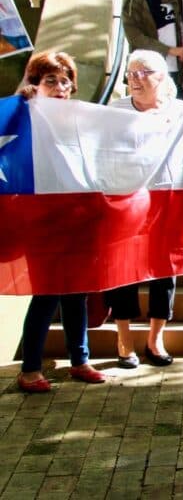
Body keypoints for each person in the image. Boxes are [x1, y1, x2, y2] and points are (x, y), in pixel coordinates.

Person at [104, 50, 183, 369]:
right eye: (131, 73)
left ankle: (155, 337)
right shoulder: (115, 111)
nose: (134, 79)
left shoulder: (179, 110)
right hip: (126, 201)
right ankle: (124, 338)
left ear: (162, 78)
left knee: (164, 270)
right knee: (123, 269)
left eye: (143, 72)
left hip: (166, 201)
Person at [14, 51, 106, 392]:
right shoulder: (25, 115)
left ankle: (79, 360)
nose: (60, 87)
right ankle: (30, 369)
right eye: (51, 80)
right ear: (35, 84)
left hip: (77, 217)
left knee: (75, 293)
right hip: (42, 221)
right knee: (47, 293)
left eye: (66, 80)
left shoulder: (78, 119)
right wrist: (23, 98)